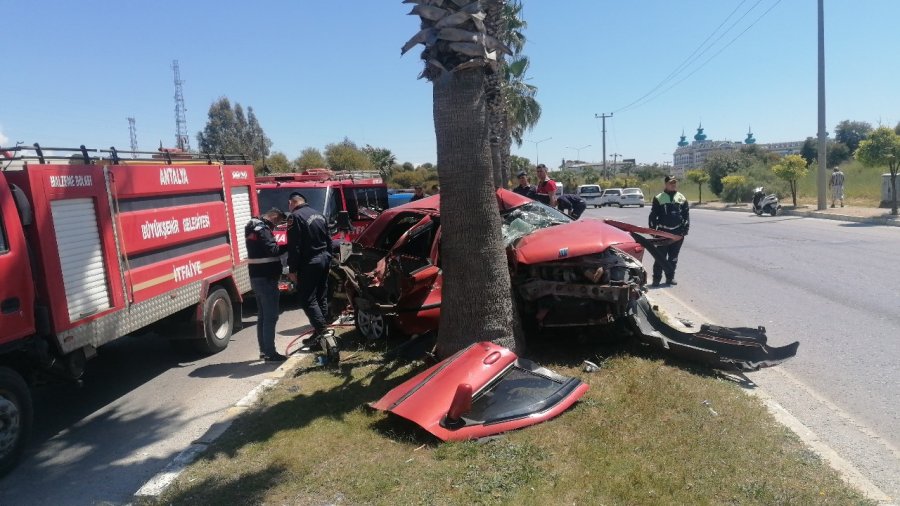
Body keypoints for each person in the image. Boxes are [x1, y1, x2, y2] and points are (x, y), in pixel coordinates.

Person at [286, 192, 333, 349]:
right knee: (321, 297)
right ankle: (319, 335)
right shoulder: (318, 214)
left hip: (310, 263)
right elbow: (328, 239)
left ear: (291, 203)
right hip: (324, 259)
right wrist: (329, 257)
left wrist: (292, 269)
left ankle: (323, 333)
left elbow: (294, 246)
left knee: (307, 299)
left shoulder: (295, 217)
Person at [245, 208, 288, 362]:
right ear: (274, 216)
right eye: (278, 221)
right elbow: (273, 250)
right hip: (266, 278)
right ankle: (270, 353)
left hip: (257, 277)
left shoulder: (252, 227)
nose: (277, 226)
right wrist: (289, 246)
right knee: (271, 317)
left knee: (263, 317)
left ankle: (264, 351)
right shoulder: (263, 230)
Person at [648, 175, 690, 286]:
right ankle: (656, 279)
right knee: (660, 257)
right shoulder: (659, 198)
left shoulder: (682, 198)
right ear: (666, 184)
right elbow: (653, 216)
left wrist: (685, 230)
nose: (673, 185)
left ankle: (670, 278)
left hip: (677, 234)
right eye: (671, 183)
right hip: (662, 233)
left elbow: (686, 216)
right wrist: (653, 230)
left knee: (673, 258)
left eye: (674, 183)